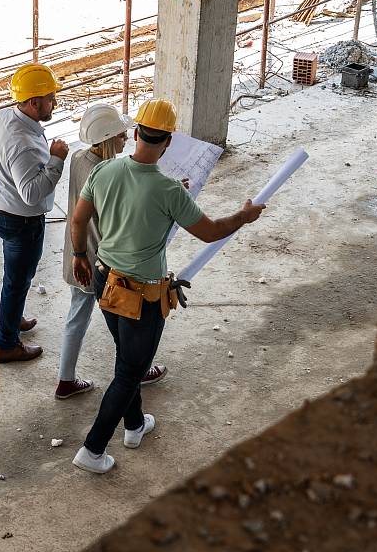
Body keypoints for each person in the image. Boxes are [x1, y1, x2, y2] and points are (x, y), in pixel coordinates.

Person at [67, 99, 266, 474]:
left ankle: (135, 424)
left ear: (137, 133)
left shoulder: (105, 171)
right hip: (141, 295)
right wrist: (244, 216)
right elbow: (211, 232)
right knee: (130, 369)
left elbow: (78, 220)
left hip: (104, 279)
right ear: (168, 141)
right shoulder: (170, 191)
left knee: (128, 358)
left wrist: (79, 255)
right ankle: (92, 450)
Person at [55, 103, 169, 400]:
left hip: (78, 252)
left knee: (79, 316)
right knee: (128, 319)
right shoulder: (106, 171)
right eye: (120, 135)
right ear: (108, 139)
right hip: (102, 261)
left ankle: (66, 379)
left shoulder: (79, 159)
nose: (126, 139)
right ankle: (136, 371)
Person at [0, 64, 69, 364]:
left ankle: (14, 315)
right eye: (49, 97)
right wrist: (56, 160)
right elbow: (32, 193)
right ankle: (7, 345)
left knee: (14, 277)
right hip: (19, 221)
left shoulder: (0, 117)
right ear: (34, 103)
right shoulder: (22, 144)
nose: (54, 102)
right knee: (17, 282)